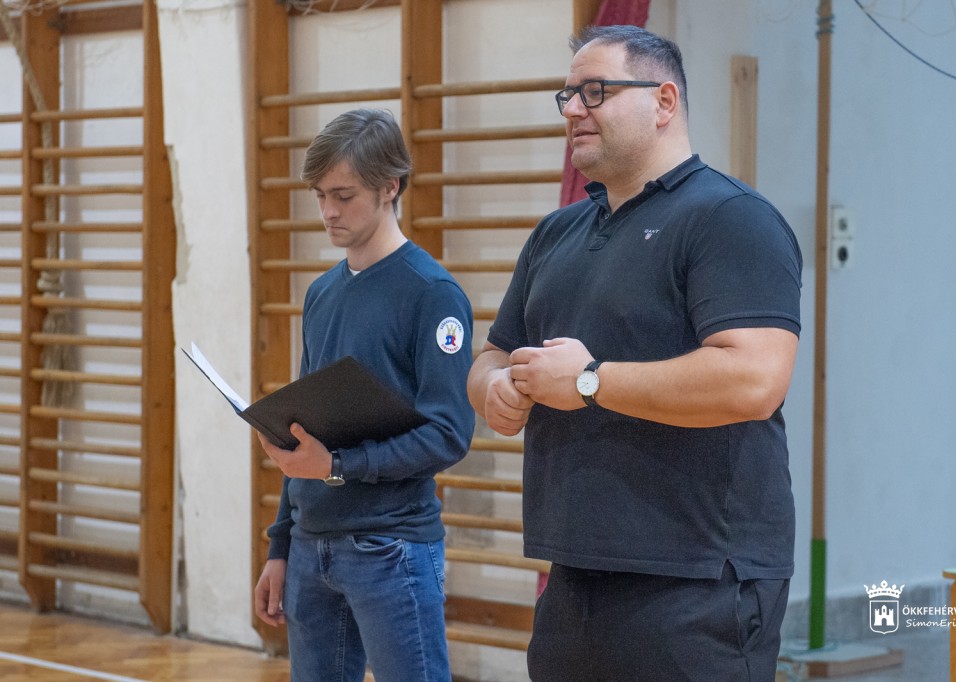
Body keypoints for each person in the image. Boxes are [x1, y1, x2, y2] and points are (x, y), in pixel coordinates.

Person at [467, 25, 802, 681]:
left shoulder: (731, 218)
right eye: (567, 95)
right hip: (574, 574)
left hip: (699, 578)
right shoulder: (556, 233)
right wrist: (495, 389)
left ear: (664, 101)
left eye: (595, 91)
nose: (572, 109)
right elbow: (491, 357)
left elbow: (755, 379)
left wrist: (590, 382)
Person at [254, 108, 474, 682]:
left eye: (344, 196)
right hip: (311, 548)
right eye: (320, 196)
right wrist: (281, 545)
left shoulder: (433, 294)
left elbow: (449, 435)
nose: (328, 211)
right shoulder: (322, 293)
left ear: (389, 187)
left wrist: (338, 466)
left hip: (391, 547)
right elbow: (302, 432)